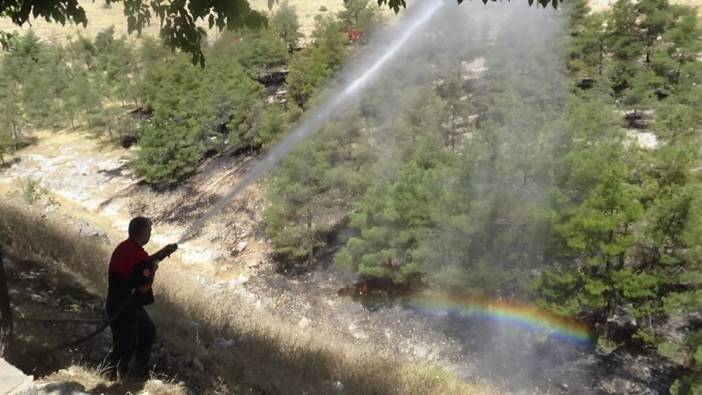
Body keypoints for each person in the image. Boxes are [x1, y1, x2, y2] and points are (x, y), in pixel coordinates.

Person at [106, 216, 178, 379]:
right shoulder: (137, 254)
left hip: (121, 304)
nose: (150, 233)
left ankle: (135, 370)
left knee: (147, 331)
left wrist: (162, 253)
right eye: (150, 230)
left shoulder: (126, 247)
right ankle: (114, 377)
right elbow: (143, 285)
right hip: (124, 307)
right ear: (143, 231)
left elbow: (140, 265)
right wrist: (152, 270)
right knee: (125, 343)